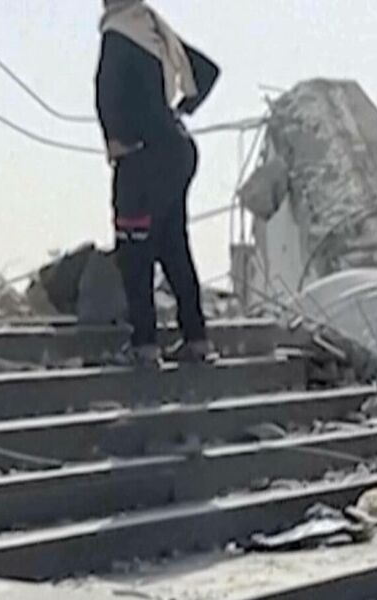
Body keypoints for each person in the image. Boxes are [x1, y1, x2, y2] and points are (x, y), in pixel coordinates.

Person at [95, 0, 220, 365]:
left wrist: (116, 138)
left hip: (141, 157)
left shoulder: (118, 33)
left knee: (134, 250)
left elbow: (107, 93)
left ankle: (144, 345)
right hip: (177, 150)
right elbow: (207, 72)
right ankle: (196, 339)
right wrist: (178, 112)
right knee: (172, 244)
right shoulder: (153, 30)